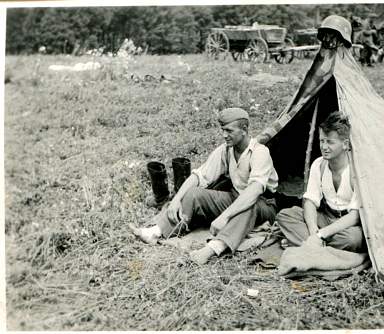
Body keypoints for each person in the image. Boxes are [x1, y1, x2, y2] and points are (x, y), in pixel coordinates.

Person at [130, 107, 279, 264]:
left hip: (263, 205)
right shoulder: (226, 150)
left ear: (244, 129)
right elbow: (199, 176)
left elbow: (254, 191)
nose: (224, 135)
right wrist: (176, 200)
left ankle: (213, 248)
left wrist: (224, 217)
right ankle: (156, 232)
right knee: (194, 193)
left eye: (229, 130)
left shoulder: (259, 152)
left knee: (249, 205)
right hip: (236, 197)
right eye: (222, 130)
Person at [276, 112, 365, 252]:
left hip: (347, 225)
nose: (324, 147)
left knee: (354, 239)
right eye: (322, 141)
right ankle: (317, 245)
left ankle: (307, 245)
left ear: (345, 144)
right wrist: (313, 231)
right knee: (286, 215)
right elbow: (310, 200)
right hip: (325, 217)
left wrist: (322, 234)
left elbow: (355, 216)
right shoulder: (319, 164)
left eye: (330, 142)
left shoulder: (356, 171)